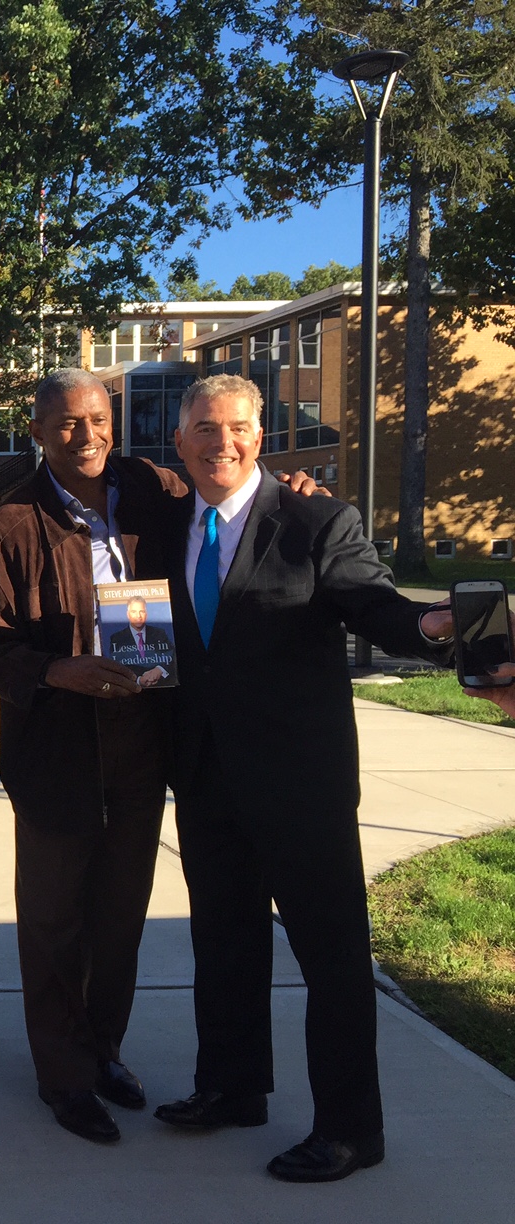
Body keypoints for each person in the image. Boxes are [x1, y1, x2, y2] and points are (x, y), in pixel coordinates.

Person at [150, 374, 454, 1183]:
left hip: (301, 784)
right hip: (207, 776)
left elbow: (374, 602)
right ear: (180, 444)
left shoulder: (317, 518)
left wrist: (429, 625)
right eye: (206, 430)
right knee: (224, 943)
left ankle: (352, 1131)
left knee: (332, 959)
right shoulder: (163, 528)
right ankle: (231, 1087)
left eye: (239, 428)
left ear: (262, 436)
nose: (223, 443)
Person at [0, 369, 187, 1143]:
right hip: (55, 740)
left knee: (119, 915)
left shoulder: (157, 493)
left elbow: (233, 506)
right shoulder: (11, 524)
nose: (84, 438)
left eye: (95, 420)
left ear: (112, 420)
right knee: (55, 918)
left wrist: (293, 493)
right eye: (64, 425)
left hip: (143, 737)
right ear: (38, 432)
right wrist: (57, 670)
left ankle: (104, 1049)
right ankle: (64, 1074)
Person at [106, 597, 174, 666]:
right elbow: (116, 666)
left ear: (146, 614)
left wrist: (160, 669)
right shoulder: (117, 638)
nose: (138, 616)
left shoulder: (160, 634)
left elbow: (172, 656)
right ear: (128, 614)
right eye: (134, 612)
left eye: (142, 611)